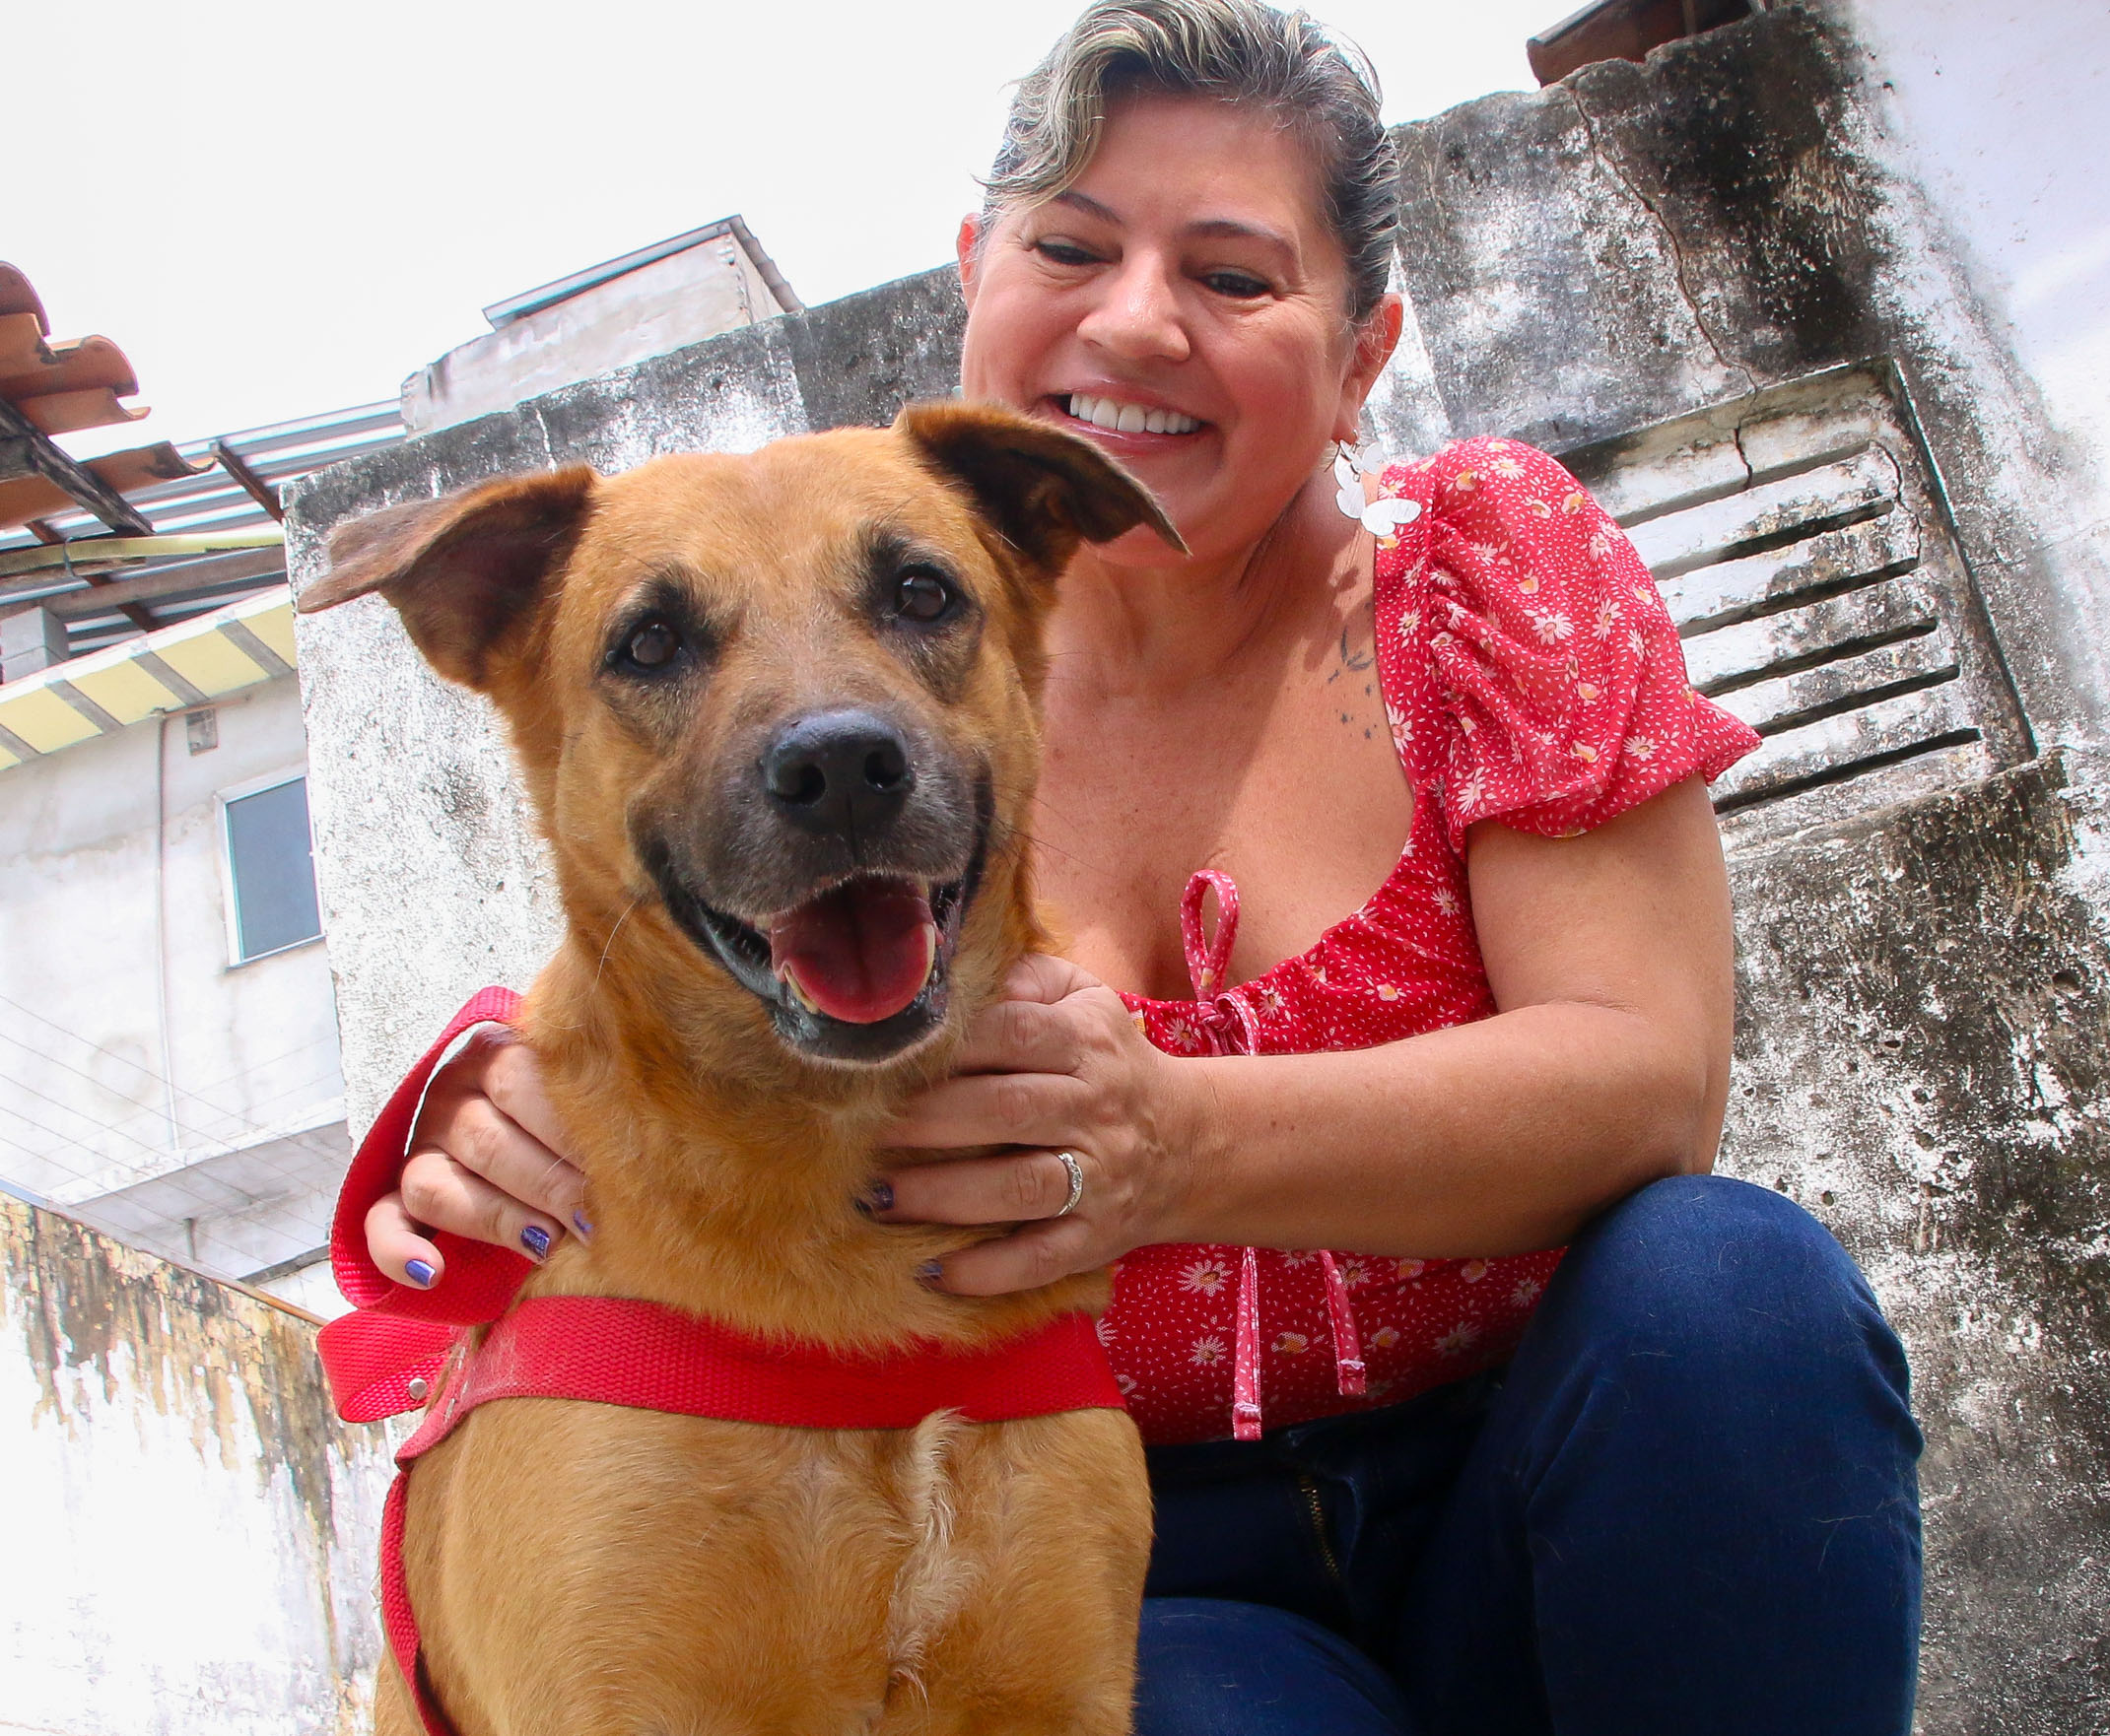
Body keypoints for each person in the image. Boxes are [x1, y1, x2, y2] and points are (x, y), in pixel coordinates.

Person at [342, 2, 1923, 1729]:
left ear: (1363, 348)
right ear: (975, 274)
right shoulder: (909, 629)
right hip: (1129, 1557)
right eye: (1072, 246)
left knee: (1732, 1293)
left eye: (1235, 277)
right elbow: (662, 914)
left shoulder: (1466, 571)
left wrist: (1170, 1142)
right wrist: (504, 1092)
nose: (1136, 318)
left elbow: (1649, 1082)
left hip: (1532, 1477)